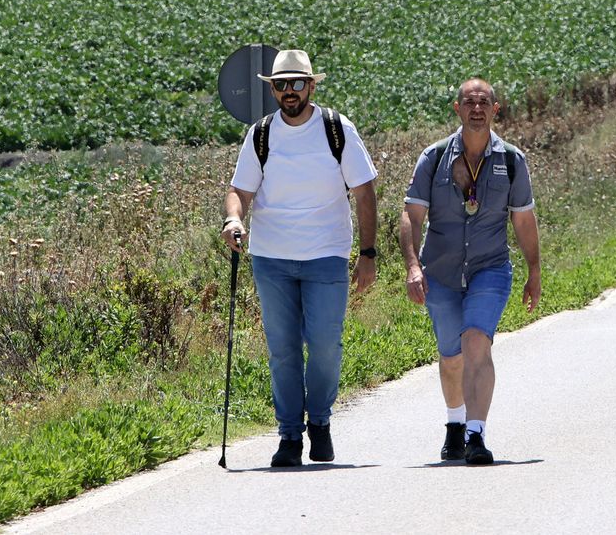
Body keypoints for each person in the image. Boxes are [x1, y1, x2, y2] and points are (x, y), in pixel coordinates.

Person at [221, 49, 379, 468]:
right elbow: (240, 190)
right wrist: (234, 219)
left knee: (325, 345)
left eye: (296, 84)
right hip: (271, 257)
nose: (289, 92)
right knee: (283, 351)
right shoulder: (260, 134)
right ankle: (289, 436)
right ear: (271, 89)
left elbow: (364, 192)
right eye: (280, 85)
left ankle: (321, 424)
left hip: (326, 254)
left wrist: (368, 253)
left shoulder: (336, 129)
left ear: (311, 86)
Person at [399, 79, 542, 466]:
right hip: (441, 272)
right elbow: (412, 216)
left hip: (489, 269)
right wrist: (413, 266)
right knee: (451, 356)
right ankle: (455, 423)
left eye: (484, 102)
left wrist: (534, 270)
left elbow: (524, 221)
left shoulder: (512, 161)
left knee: (477, 341)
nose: (476, 108)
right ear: (457, 108)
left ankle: (476, 434)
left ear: (496, 110)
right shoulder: (433, 157)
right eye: (469, 102)